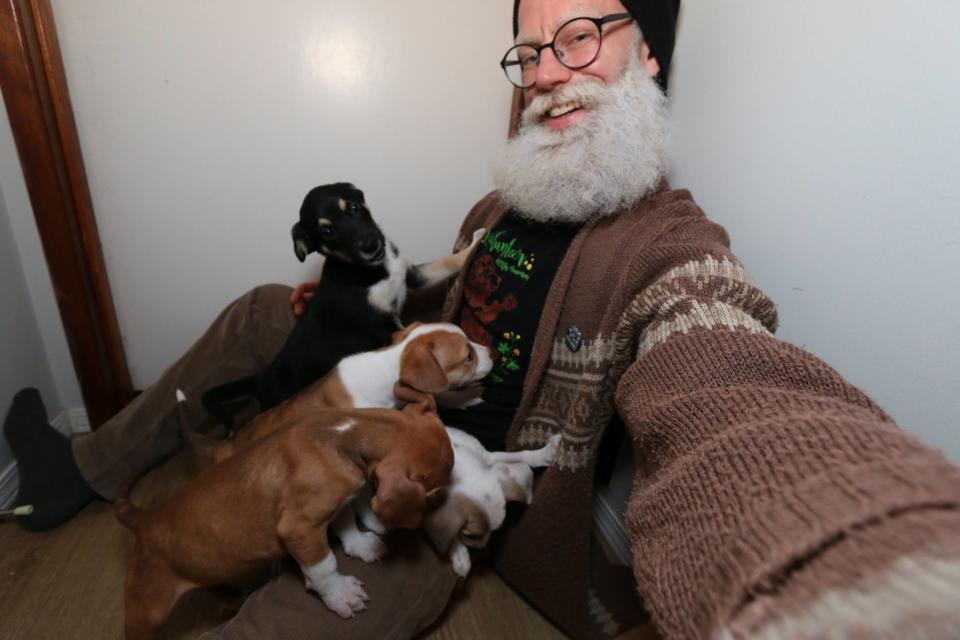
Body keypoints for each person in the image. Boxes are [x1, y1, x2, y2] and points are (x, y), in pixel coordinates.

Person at [5, 0, 959, 638]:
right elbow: (448, 306)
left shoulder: (669, 246)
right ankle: (87, 466)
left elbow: (718, 370)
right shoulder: (500, 209)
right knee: (267, 308)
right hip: (402, 388)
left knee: (327, 610)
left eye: (579, 34)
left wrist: (848, 550)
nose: (547, 72)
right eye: (532, 50)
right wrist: (353, 299)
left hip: (452, 478)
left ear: (649, 52)